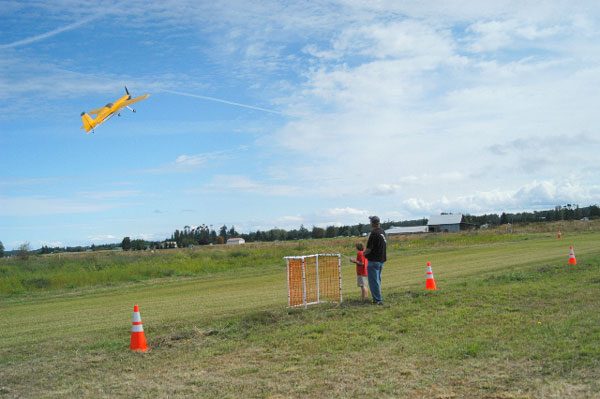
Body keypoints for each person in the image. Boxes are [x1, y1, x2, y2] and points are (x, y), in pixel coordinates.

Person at [364, 215, 387, 305]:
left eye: (370, 222)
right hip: (381, 260)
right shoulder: (382, 232)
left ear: (372, 223)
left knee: (373, 282)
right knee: (377, 280)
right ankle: (377, 298)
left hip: (373, 261)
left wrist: (363, 253)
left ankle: (378, 300)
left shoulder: (373, 233)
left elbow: (369, 249)